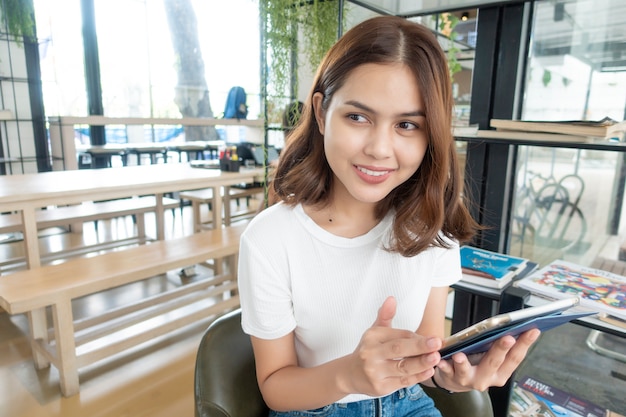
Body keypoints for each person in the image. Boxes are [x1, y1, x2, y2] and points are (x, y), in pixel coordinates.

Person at [237, 15, 540, 417]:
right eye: (358, 117)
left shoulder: (434, 228)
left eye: (407, 125)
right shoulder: (269, 240)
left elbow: (425, 358)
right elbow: (276, 386)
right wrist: (348, 375)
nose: (380, 149)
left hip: (409, 404)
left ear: (430, 133)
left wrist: (449, 375)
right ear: (322, 112)